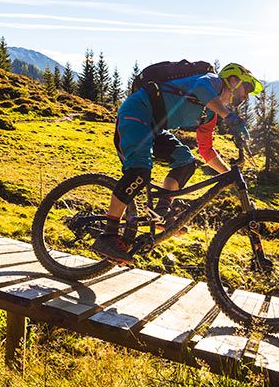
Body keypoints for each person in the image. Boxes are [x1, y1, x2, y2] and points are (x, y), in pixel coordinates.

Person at [91, 61, 263, 264]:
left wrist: (229, 176)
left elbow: (206, 151)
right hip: (136, 114)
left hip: (154, 128)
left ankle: (162, 211)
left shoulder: (210, 114)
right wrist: (230, 117)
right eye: (247, 88)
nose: (246, 96)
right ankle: (108, 235)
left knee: (186, 162)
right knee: (140, 171)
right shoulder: (212, 81)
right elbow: (200, 89)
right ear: (233, 80)